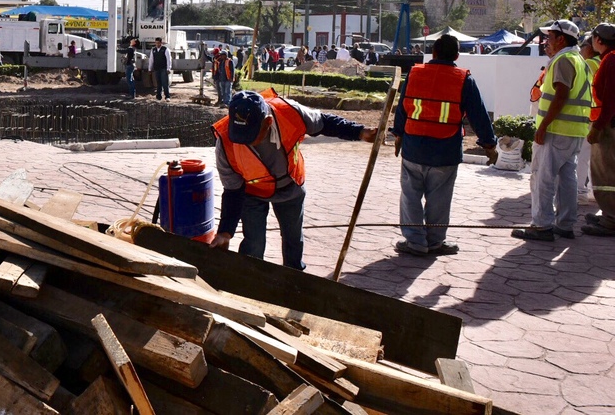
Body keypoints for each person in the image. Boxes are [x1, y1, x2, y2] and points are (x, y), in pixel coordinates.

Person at [210, 89, 377, 269]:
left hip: (290, 186)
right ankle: (252, 280)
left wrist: (359, 132)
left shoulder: (289, 112)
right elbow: (233, 190)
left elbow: (323, 123)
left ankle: (294, 277)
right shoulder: (225, 141)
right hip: (252, 193)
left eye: (249, 135)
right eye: (239, 134)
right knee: (254, 244)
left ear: (267, 123)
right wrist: (225, 232)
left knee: (293, 239)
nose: (243, 141)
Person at [391, 34, 498, 256]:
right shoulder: (463, 79)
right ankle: (435, 242)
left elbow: (403, 107)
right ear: (457, 56)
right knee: (439, 199)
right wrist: (489, 144)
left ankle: (415, 243)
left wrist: (398, 135)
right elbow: (479, 115)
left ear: (434, 53)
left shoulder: (415, 73)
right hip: (445, 150)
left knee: (410, 196)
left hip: (414, 146)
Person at [512, 20, 592, 242]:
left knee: (543, 178)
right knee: (567, 178)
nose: (547, 41)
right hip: (574, 130)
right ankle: (564, 224)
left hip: (557, 131)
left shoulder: (563, 60)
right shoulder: (579, 60)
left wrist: (544, 125)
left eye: (551, 37)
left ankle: (541, 226)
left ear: (562, 39)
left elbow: (561, 95)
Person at [584, 23, 615, 237]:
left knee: (606, 174)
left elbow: (611, 100)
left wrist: (598, 126)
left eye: (593, 37)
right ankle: (609, 214)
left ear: (600, 40)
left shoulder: (611, 60)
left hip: (610, 126)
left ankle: (610, 219)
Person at [576, 37, 601, 204]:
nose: (580, 50)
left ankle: (580, 192)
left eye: (582, 46)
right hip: (602, 117)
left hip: (591, 115)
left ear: (590, 47)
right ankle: (594, 192)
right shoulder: (605, 60)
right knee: (596, 157)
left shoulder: (590, 64)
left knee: (583, 155)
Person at [148, 37, 172, 101]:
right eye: (156, 43)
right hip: (157, 68)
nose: (157, 44)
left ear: (161, 43)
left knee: (165, 83)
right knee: (158, 83)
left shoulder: (165, 49)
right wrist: (150, 69)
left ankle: (167, 96)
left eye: (158, 43)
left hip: (163, 68)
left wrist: (168, 68)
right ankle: (158, 96)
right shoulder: (153, 50)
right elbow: (151, 60)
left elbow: (168, 59)